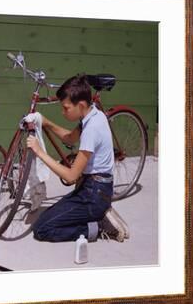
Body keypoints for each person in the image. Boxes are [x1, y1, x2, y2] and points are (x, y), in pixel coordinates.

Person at [26, 75, 128, 242]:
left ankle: (101, 226)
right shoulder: (94, 114)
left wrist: (40, 152)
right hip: (94, 189)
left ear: (80, 105)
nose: (63, 112)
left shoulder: (91, 129)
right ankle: (97, 215)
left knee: (42, 229)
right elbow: (69, 138)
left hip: (93, 195)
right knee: (47, 217)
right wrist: (46, 123)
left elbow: (71, 176)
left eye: (66, 108)